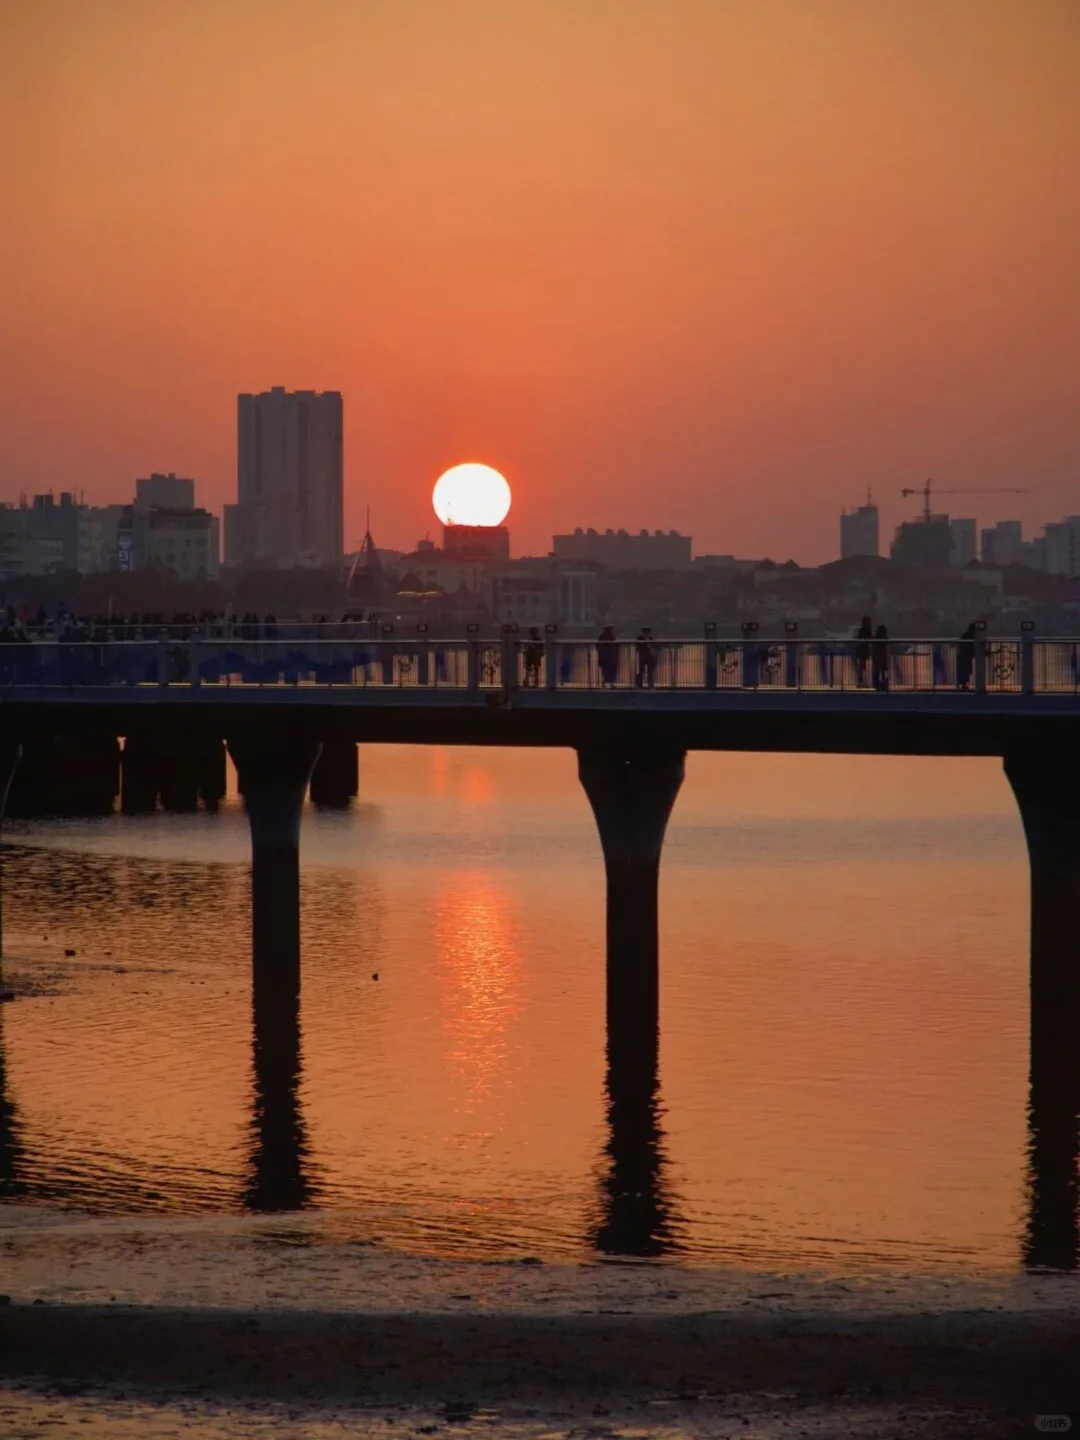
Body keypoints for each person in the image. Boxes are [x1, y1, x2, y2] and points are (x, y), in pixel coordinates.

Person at [956, 621, 976, 690]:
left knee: (963, 670)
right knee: (965, 670)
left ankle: (960, 683)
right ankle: (963, 684)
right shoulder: (971, 636)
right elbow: (971, 646)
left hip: (963, 655)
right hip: (965, 656)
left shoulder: (965, 635)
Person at [855, 615, 873, 688]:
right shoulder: (862, 630)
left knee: (863, 666)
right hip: (862, 651)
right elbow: (862, 639)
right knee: (861, 666)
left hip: (865, 651)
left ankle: (863, 681)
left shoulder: (868, 631)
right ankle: (860, 682)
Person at [872, 623, 889, 692]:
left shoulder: (877, 639)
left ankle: (877, 685)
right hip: (882, 658)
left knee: (878, 672)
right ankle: (883, 685)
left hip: (879, 657)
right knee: (883, 672)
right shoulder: (884, 639)